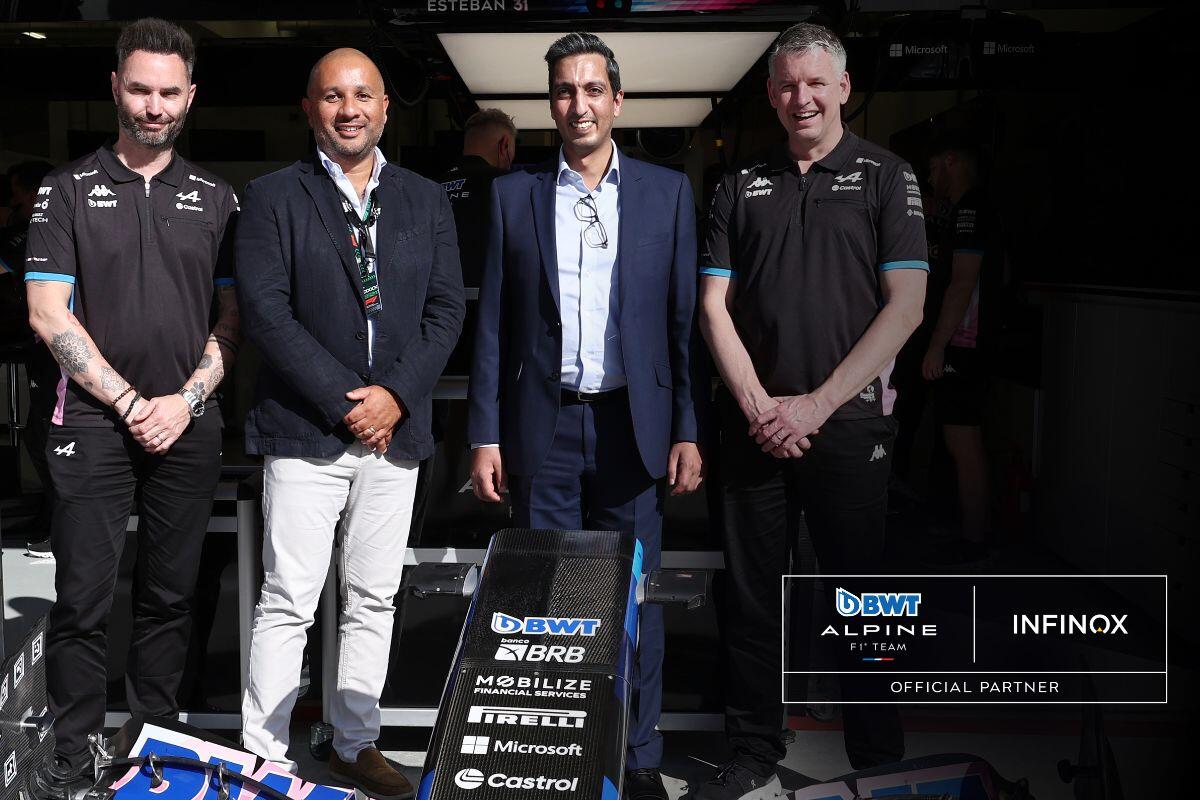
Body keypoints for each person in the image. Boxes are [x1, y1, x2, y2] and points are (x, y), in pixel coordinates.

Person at [466, 32, 704, 800]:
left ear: (618, 100)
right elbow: (494, 327)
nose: (579, 104)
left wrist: (687, 427)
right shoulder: (514, 195)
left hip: (635, 426)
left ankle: (638, 757)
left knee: (636, 595)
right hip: (546, 428)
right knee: (550, 604)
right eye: (565, 91)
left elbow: (682, 327)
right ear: (551, 105)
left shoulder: (667, 193)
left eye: (593, 89)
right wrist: (484, 433)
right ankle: (563, 754)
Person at [697, 22, 927, 799]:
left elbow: (907, 307)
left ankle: (878, 754)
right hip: (755, 425)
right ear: (770, 94)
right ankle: (753, 748)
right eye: (789, 84)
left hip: (849, 423)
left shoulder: (887, 175)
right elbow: (713, 306)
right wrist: (761, 406)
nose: (803, 97)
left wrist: (815, 407)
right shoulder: (738, 183)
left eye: (817, 82)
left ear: (844, 88)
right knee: (750, 598)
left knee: (861, 599)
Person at [237, 48, 464, 797]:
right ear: (309, 109)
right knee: (288, 599)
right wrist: (351, 403)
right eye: (332, 96)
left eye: (363, 95)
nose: (349, 110)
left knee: (373, 598)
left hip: (395, 435)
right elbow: (266, 314)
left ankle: (355, 744)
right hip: (306, 431)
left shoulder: (425, 200)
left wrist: (393, 397)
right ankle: (264, 759)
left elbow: (446, 311)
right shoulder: (271, 196)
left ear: (386, 108)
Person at [24, 18, 239, 799]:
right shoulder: (64, 190)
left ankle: (155, 746)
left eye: (169, 93)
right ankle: (74, 750)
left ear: (191, 96)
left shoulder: (218, 198)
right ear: (116, 87)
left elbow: (233, 320)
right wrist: (129, 401)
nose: (154, 106)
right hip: (90, 423)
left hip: (188, 421)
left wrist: (183, 401)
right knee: (83, 596)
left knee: (171, 597)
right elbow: (47, 313)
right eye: (141, 89)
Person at [920, 136, 1000, 562]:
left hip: (964, 343)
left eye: (934, 169)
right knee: (956, 438)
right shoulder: (966, 209)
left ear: (952, 160)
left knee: (962, 440)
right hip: (965, 342)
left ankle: (976, 543)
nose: (931, 179)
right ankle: (969, 531)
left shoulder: (972, 208)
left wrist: (937, 346)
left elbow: (964, 282)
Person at [0, 160, 57, 558]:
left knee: (48, 437)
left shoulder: (41, 229)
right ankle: (50, 517)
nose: (13, 201)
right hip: (40, 348)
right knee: (41, 435)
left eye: (17, 192)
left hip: (58, 350)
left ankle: (59, 524)